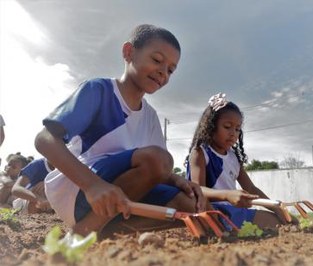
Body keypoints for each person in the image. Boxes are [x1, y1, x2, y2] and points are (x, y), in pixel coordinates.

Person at [35, 24, 205, 237]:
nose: (163, 72)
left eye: (170, 69)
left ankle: (108, 229)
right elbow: (44, 139)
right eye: (157, 60)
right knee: (158, 158)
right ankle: (84, 230)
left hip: (118, 195)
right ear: (128, 52)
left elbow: (159, 171)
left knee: (188, 203)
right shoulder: (99, 90)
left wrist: (178, 181)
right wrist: (93, 186)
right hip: (81, 191)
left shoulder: (150, 117)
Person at [185, 93, 289, 229]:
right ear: (211, 127)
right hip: (211, 210)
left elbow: (250, 188)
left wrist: (275, 207)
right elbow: (198, 190)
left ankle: (229, 228)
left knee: (276, 220)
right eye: (227, 127)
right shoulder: (200, 153)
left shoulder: (233, 157)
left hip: (233, 210)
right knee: (270, 224)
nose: (233, 133)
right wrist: (227, 195)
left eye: (237, 129)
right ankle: (218, 229)